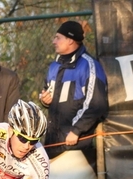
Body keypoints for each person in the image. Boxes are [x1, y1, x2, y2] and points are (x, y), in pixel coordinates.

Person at [39, 20, 108, 164]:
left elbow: (97, 104)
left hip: (76, 144)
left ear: (70, 40)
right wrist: (44, 100)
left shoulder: (89, 65)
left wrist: (76, 131)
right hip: (52, 142)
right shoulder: (54, 66)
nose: (53, 41)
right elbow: (47, 92)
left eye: (58, 38)